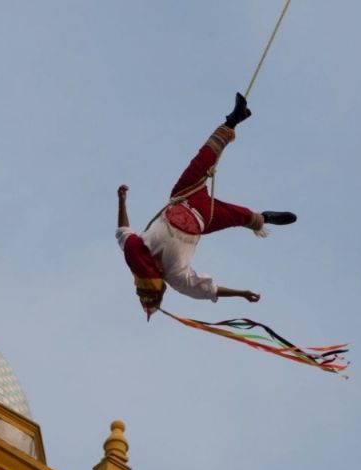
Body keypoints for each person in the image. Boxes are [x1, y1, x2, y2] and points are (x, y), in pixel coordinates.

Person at [116, 93, 297, 319]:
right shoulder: (178, 278)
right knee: (237, 215)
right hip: (203, 217)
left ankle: (234, 119)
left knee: (203, 160)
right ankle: (264, 218)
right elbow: (210, 290)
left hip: (184, 196)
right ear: (161, 285)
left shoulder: (139, 247)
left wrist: (122, 201)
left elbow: (122, 231)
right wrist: (241, 293)